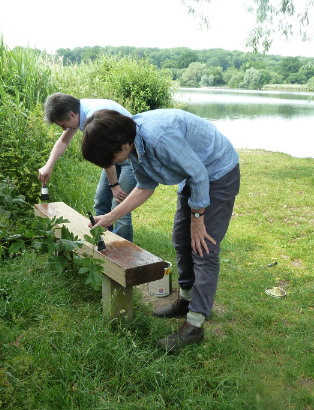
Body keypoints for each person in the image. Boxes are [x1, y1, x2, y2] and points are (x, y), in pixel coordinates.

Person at [82, 109, 241, 352]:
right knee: (181, 238)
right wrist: (110, 217)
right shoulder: (132, 145)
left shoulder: (158, 138)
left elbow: (199, 173)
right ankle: (186, 301)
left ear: (123, 144)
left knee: (203, 247)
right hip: (194, 175)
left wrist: (198, 218)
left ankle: (195, 325)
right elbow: (145, 185)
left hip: (217, 171)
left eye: (112, 158)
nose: (112, 164)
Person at [38, 93, 136, 241]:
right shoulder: (80, 113)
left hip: (130, 157)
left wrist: (114, 185)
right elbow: (63, 141)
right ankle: (103, 244)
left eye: (63, 125)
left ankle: (125, 253)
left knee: (120, 206)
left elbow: (106, 156)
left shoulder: (94, 116)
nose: (64, 129)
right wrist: (49, 165)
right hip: (113, 156)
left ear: (71, 115)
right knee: (101, 201)